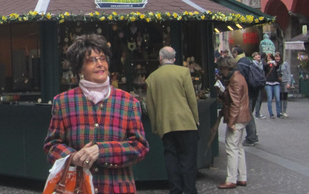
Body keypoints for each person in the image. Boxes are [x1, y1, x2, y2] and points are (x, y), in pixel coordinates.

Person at [44, 34, 149, 194]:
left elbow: (139, 147)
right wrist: (72, 157)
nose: (100, 64)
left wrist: (101, 151)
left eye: (102, 58)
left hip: (118, 189)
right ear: (79, 69)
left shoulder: (128, 102)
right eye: (91, 60)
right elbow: (52, 145)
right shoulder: (63, 102)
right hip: (78, 189)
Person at [146, 46, 199, 194]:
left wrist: (155, 126)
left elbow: (151, 106)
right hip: (186, 122)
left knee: (171, 158)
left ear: (160, 58)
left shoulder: (152, 78)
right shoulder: (183, 72)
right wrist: (195, 119)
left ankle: (175, 190)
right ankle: (189, 190)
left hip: (166, 125)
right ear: (174, 58)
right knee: (188, 160)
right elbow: (191, 99)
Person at [216, 56, 251, 189]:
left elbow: (235, 104)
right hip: (243, 117)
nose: (221, 71)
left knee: (231, 147)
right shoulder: (238, 77)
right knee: (238, 147)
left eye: (221, 69)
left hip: (237, 118)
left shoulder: (235, 80)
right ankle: (242, 177)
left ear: (226, 67)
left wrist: (231, 121)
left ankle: (231, 179)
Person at [231, 47, 259, 146]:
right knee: (249, 113)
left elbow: (240, 80)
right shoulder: (248, 61)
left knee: (248, 114)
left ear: (236, 53)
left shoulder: (240, 64)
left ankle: (251, 138)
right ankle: (252, 136)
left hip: (247, 92)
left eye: (232, 52)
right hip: (254, 90)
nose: (232, 55)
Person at [263, 53, 282, 119]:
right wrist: (267, 64)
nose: (270, 59)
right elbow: (263, 68)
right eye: (268, 58)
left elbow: (278, 67)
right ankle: (271, 114)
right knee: (269, 98)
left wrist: (276, 64)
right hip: (268, 83)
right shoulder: (265, 65)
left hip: (276, 82)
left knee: (277, 98)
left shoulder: (275, 64)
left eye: (271, 58)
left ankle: (278, 113)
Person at [276, 52, 291, 117]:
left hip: (284, 81)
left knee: (284, 96)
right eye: (276, 57)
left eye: (278, 57)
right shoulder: (275, 64)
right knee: (279, 97)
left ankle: (284, 111)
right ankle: (280, 111)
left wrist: (288, 82)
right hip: (278, 82)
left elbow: (288, 73)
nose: (277, 58)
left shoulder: (285, 64)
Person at [251, 53, 265, 118]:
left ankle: (257, 112)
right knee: (257, 99)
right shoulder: (253, 65)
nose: (258, 56)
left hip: (261, 83)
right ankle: (256, 113)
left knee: (260, 99)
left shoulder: (261, 64)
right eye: (256, 55)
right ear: (254, 57)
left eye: (259, 55)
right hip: (256, 83)